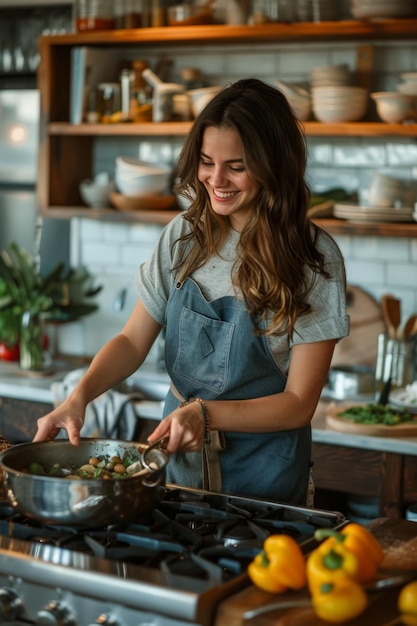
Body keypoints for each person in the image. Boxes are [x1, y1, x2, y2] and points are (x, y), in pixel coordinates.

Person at [34, 78, 349, 506]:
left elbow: (298, 403)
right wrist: (79, 396)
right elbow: (131, 341)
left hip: (265, 483)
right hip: (178, 473)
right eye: (205, 161)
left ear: (274, 164)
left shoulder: (313, 259)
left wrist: (204, 414)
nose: (215, 180)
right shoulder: (185, 236)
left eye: (236, 166)